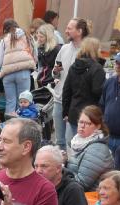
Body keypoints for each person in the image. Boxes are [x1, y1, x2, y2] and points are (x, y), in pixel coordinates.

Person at [53, 18, 89, 148]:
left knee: (72, 141)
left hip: (75, 103)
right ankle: (60, 167)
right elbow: (56, 71)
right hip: (59, 100)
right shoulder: (63, 49)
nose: (66, 31)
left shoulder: (86, 51)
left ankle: (71, 166)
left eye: (69, 28)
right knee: (59, 140)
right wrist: (56, 71)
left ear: (79, 31)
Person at [61, 37, 105, 140]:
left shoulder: (74, 66)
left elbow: (66, 91)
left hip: (73, 112)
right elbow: (98, 91)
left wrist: (65, 112)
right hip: (90, 116)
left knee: (74, 146)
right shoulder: (97, 68)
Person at [67, 105, 114, 191]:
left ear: (98, 126)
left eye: (88, 123)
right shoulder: (79, 142)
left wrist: (59, 171)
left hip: (94, 198)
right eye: (81, 122)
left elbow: (82, 184)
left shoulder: (97, 149)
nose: (82, 126)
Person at [35, 24, 61, 88]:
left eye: (41, 37)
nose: (38, 39)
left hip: (52, 80)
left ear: (48, 37)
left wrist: (57, 79)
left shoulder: (56, 49)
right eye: (38, 36)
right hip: (42, 79)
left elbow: (60, 66)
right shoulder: (40, 48)